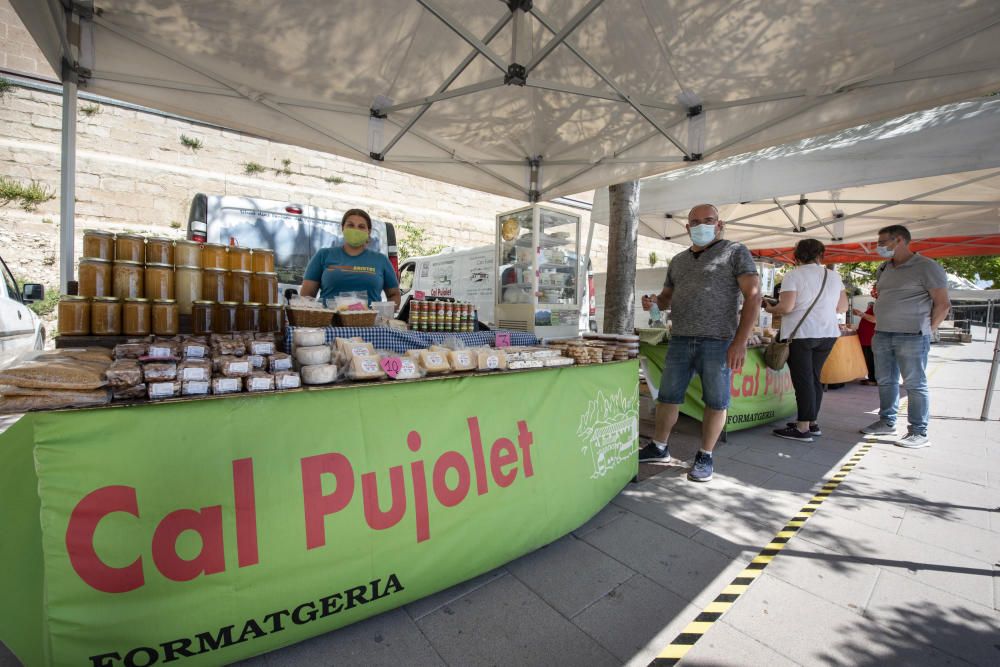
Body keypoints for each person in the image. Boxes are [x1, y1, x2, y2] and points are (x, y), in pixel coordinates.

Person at [638, 204, 761, 482]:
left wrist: (739, 342)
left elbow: (753, 296)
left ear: (719, 224)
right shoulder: (679, 260)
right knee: (668, 396)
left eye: (708, 220)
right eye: (695, 222)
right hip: (680, 338)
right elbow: (667, 297)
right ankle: (659, 447)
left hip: (718, 341)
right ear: (687, 228)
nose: (701, 225)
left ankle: (705, 454)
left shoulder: (735, 251)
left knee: (716, 401)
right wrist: (654, 302)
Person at [860, 225, 950, 448]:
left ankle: (919, 431)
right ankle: (887, 422)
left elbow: (943, 304)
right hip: (882, 334)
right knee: (886, 380)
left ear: (899, 240)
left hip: (912, 336)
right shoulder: (884, 268)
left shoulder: (927, 267)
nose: (879, 247)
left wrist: (928, 330)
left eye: (882, 242)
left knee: (914, 384)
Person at [764, 239, 848, 442]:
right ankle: (811, 422)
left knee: (803, 380)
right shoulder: (834, 276)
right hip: (827, 333)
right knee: (813, 377)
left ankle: (802, 427)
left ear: (797, 256)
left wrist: (769, 308)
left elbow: (786, 308)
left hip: (802, 334)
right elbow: (842, 307)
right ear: (821, 255)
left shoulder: (794, 275)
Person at [300, 208, 401, 307]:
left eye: (361, 227)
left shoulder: (381, 260)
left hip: (369, 323)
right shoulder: (323, 255)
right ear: (343, 228)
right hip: (328, 322)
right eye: (350, 225)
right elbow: (306, 296)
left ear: (368, 232)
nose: (355, 230)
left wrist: (384, 314)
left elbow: (394, 295)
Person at [852, 288, 878, 385]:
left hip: (870, 338)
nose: (873, 293)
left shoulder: (880, 305)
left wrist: (861, 314)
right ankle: (871, 378)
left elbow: (875, 319)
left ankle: (873, 380)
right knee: (868, 359)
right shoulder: (877, 304)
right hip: (866, 337)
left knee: (871, 359)